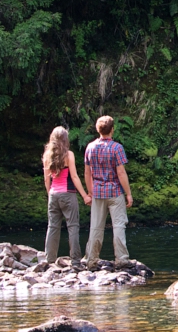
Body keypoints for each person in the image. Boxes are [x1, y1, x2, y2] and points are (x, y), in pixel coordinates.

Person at [84, 115, 133, 269]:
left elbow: (87, 173)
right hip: (115, 191)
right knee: (118, 225)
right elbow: (121, 173)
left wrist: (90, 192)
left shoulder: (90, 147)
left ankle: (91, 260)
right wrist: (129, 193)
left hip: (98, 192)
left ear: (98, 130)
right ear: (112, 130)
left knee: (96, 226)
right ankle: (122, 259)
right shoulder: (117, 148)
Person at [42, 126, 91, 266]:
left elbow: (47, 180)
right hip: (68, 195)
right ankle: (75, 260)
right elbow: (74, 177)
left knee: (52, 227)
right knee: (73, 226)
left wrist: (50, 194)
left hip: (53, 194)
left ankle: (49, 260)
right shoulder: (69, 155)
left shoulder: (47, 155)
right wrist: (85, 196)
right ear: (65, 139)